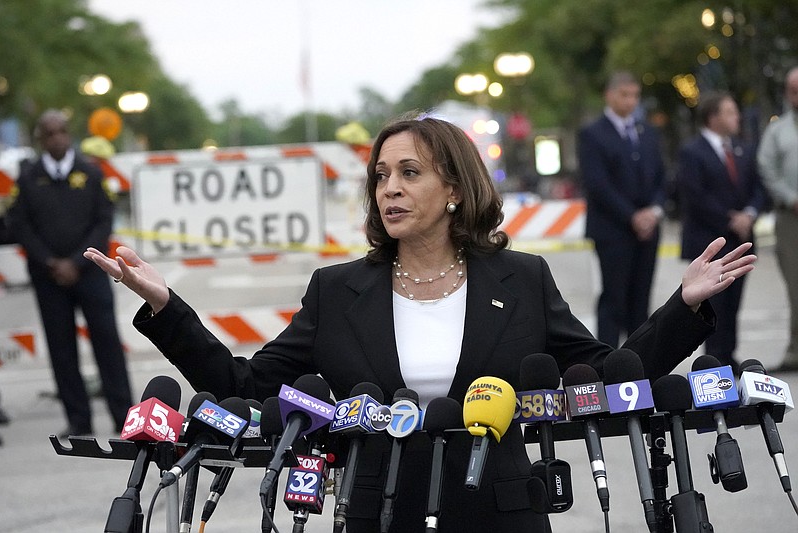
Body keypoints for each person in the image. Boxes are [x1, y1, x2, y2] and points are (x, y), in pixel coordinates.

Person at [85, 116, 755, 532]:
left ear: (456, 188)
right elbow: (249, 384)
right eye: (381, 176)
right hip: (377, 509)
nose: (390, 189)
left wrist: (684, 306)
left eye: (410, 172)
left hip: (506, 511)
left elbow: (606, 379)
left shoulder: (520, 278)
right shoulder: (337, 288)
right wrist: (168, 307)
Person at [7, 109, 133, 437]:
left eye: (62, 131)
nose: (57, 138)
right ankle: (79, 420)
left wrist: (77, 261)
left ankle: (124, 416)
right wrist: (50, 261)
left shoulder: (90, 174)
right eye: (49, 134)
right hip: (48, 277)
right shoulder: (28, 177)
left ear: (69, 134)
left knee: (107, 342)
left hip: (90, 271)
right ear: (40, 140)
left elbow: (103, 220)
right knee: (61, 348)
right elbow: (21, 225)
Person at [577, 71, 667, 347]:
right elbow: (597, 183)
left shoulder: (647, 132)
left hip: (648, 230)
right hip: (612, 230)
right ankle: (607, 362)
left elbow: (662, 177)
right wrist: (632, 216)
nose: (630, 101)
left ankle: (639, 364)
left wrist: (654, 211)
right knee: (614, 300)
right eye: (624, 95)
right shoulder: (592, 134)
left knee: (641, 301)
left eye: (635, 96)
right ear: (610, 95)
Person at [676, 92, 765, 374]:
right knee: (713, 305)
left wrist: (749, 213)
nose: (736, 117)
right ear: (713, 118)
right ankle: (713, 361)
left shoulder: (743, 149)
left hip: (740, 239)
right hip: (710, 240)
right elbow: (694, 195)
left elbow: (758, 187)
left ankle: (729, 354)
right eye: (730, 112)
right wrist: (730, 219)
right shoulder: (693, 152)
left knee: (734, 302)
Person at [757, 66, 798, 373]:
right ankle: (796, 350)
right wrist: (790, 197)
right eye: (793, 89)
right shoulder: (777, 131)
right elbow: (767, 169)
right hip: (791, 218)